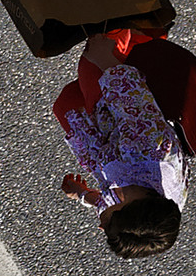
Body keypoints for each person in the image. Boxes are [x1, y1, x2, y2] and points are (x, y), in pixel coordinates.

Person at [56, 33, 185, 259]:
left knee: (67, 101)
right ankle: (127, 29)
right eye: (108, 224)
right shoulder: (149, 150)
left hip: (104, 134)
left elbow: (111, 202)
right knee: (96, 55)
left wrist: (85, 196)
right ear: (127, 207)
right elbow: (132, 97)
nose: (101, 226)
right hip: (115, 101)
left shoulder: (150, 206)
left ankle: (139, 36)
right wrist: (105, 58)